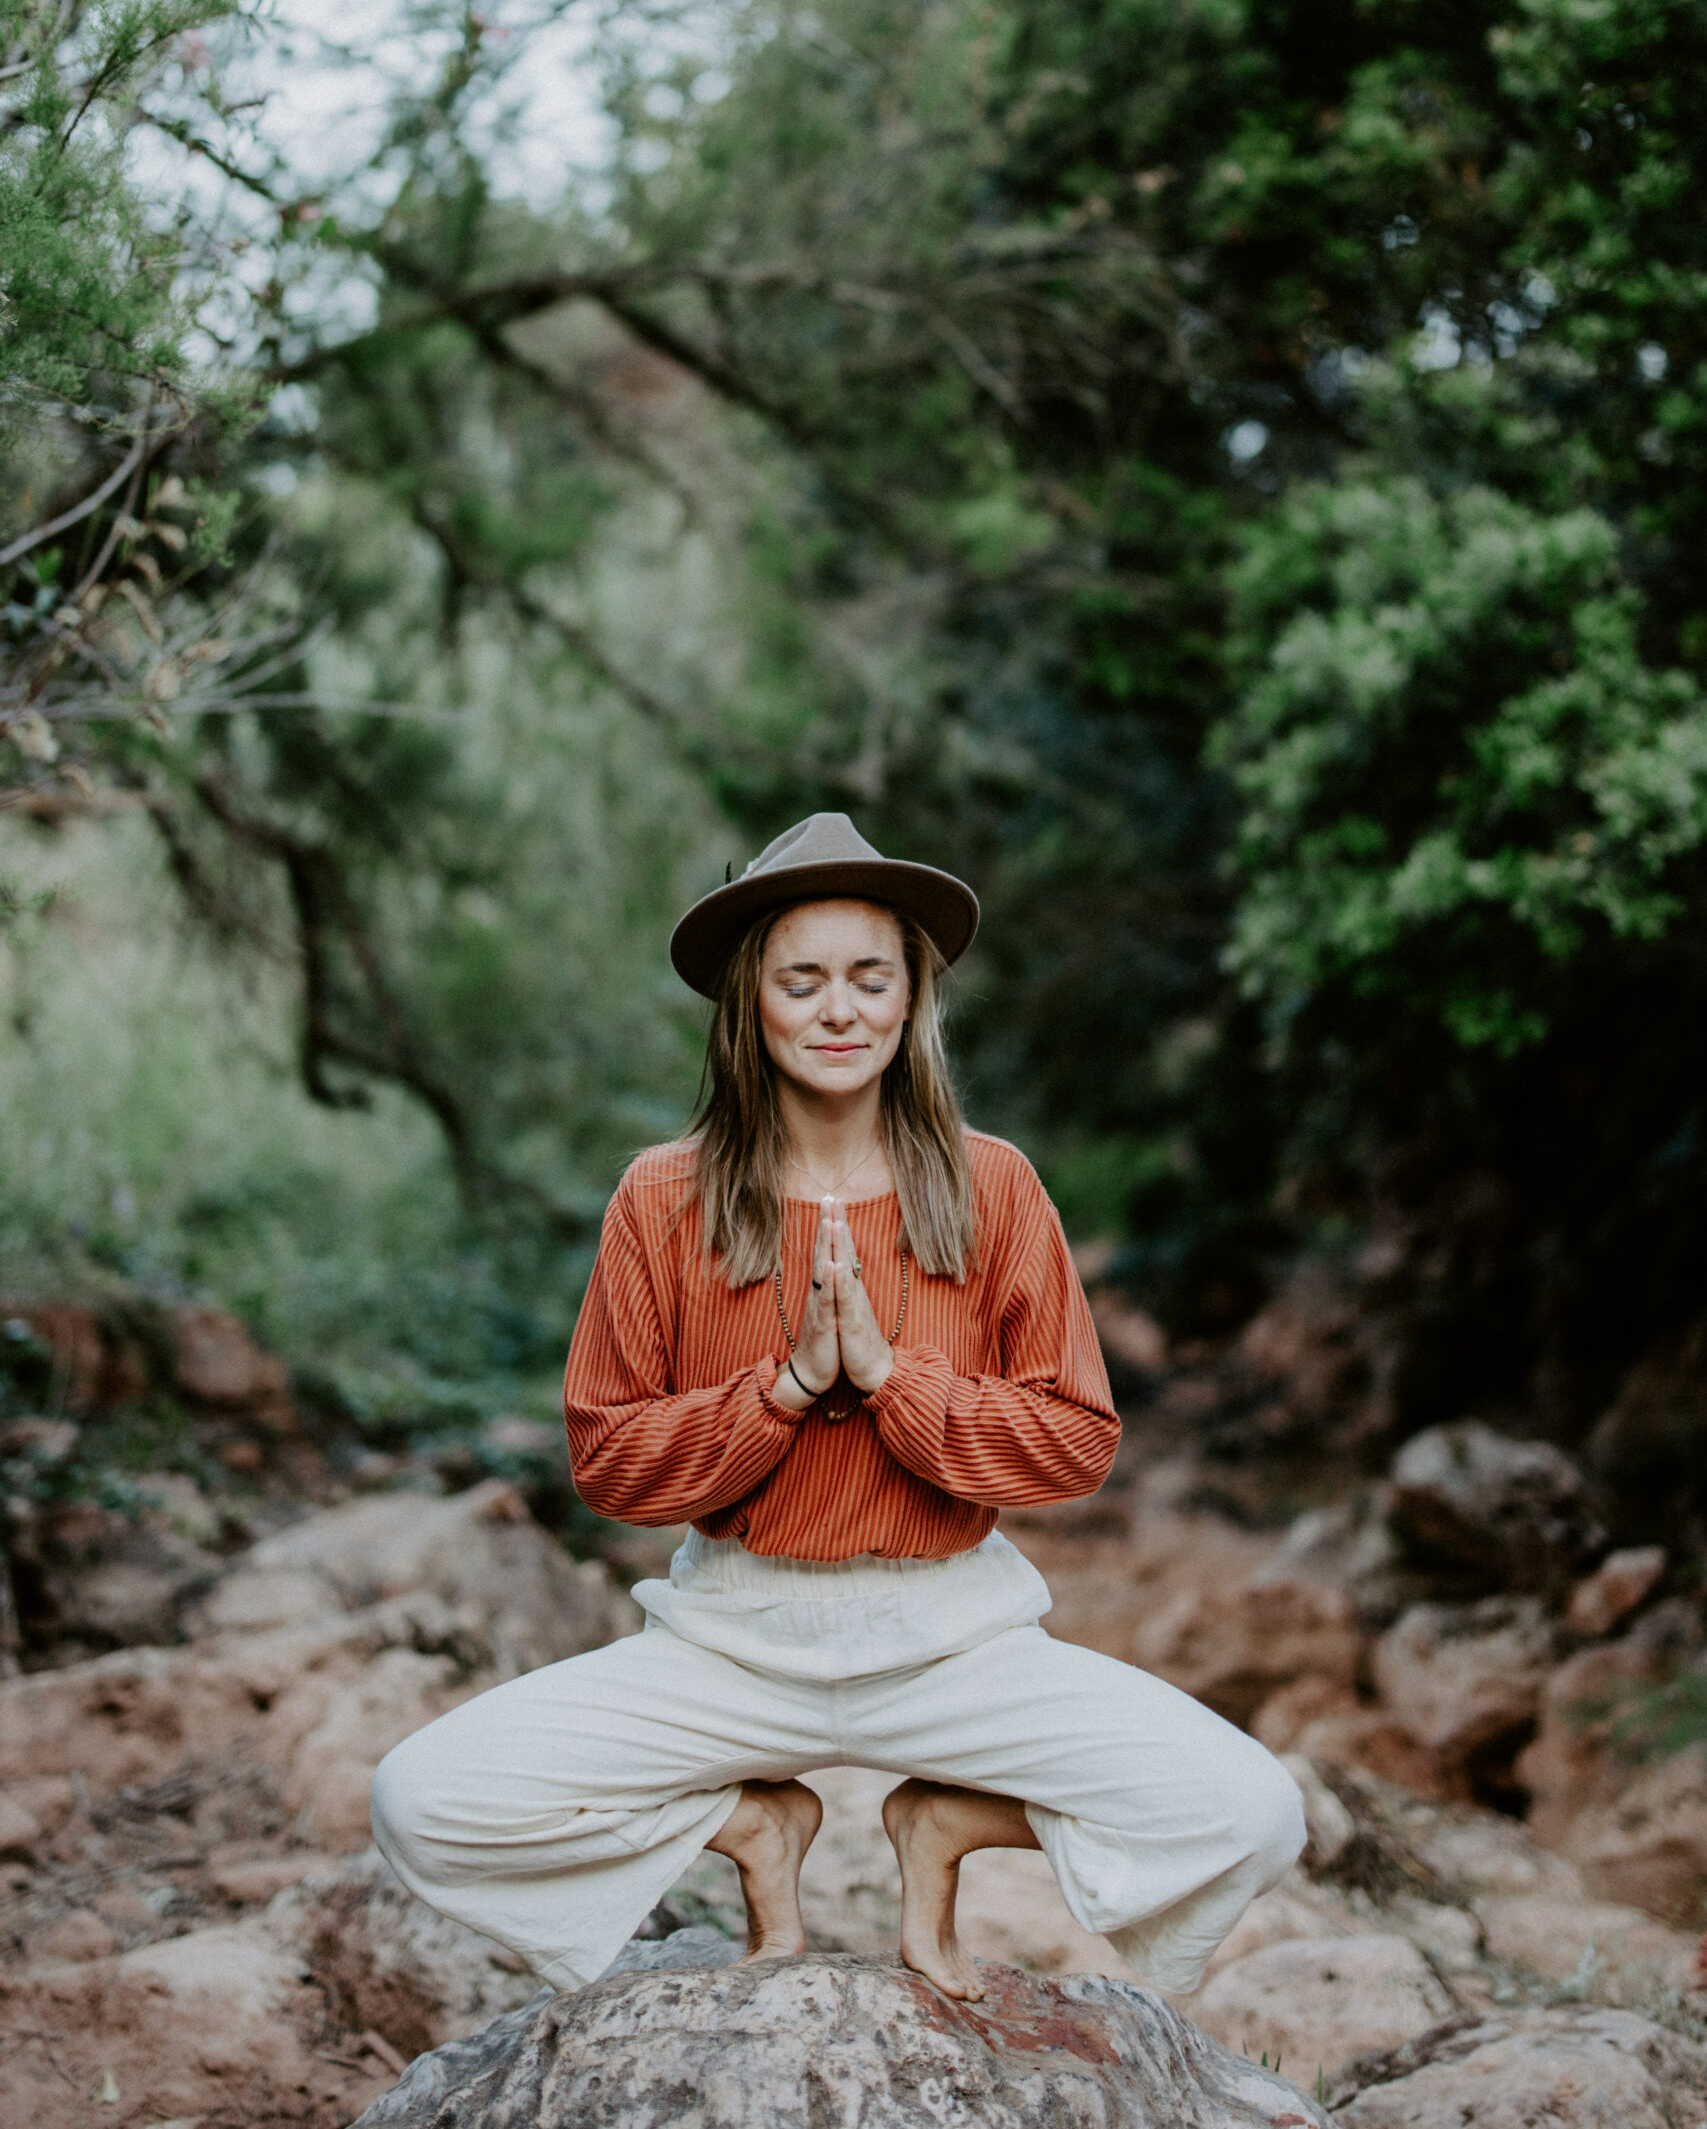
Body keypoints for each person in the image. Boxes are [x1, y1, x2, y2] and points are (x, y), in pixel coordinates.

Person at [371, 812, 1304, 2002]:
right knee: (424, 1799)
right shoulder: (661, 1197)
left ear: (912, 998)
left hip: (953, 1637)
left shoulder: (993, 1183)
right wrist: (786, 1388)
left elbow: (1076, 1438)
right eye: (801, 980)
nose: (839, 1009)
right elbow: (609, 1461)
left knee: (1253, 1810)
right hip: (735, 1638)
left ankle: (948, 1822)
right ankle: (754, 1827)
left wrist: (894, 1379)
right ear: (748, 1004)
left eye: (872, 977)